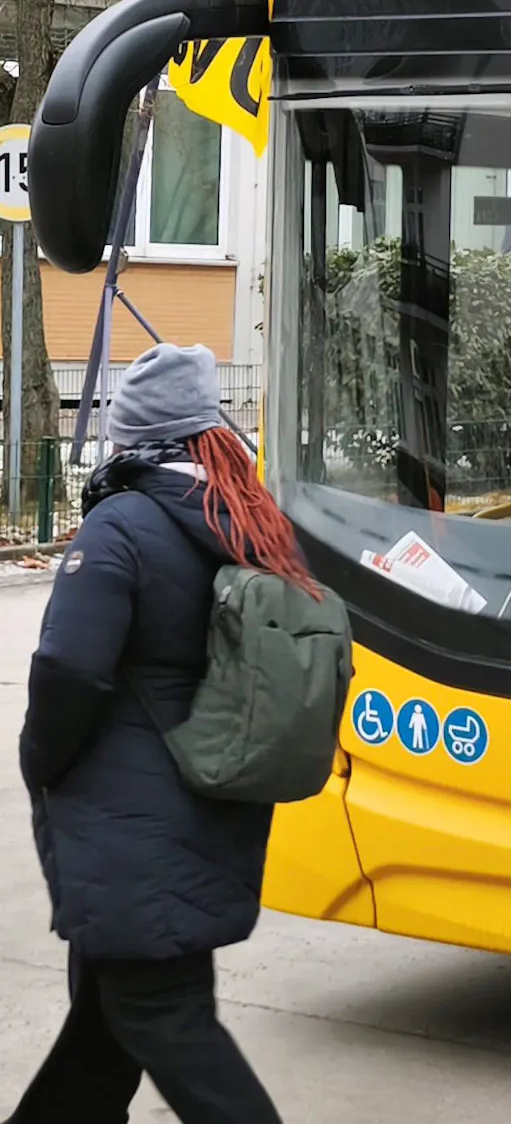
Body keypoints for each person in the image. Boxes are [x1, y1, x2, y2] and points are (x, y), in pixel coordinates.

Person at [9, 342, 310, 1124]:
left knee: (163, 1020)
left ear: (130, 437)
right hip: (207, 809)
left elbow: (70, 671)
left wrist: (39, 760)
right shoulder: (248, 520)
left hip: (129, 834)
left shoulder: (122, 528)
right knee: (108, 1019)